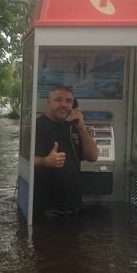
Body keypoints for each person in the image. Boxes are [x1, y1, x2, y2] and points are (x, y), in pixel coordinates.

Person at [33, 86, 99, 220]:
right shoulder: (38, 126)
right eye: (58, 100)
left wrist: (81, 128)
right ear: (49, 102)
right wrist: (46, 161)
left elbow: (92, 156)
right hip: (48, 208)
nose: (64, 104)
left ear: (73, 105)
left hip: (73, 204)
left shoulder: (73, 128)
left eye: (69, 101)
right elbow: (27, 160)